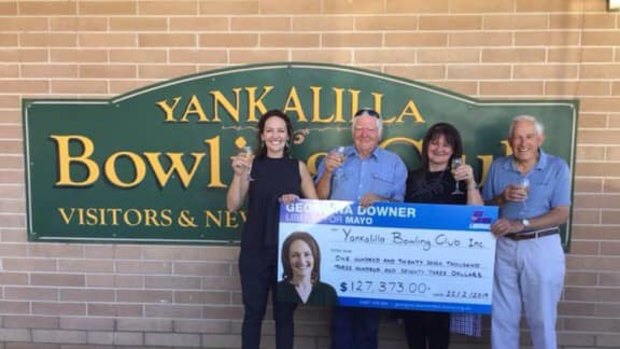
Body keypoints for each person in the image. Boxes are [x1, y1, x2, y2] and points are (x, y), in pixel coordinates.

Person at [315, 108, 407, 349]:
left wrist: (381, 200)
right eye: (359, 128)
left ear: (379, 133)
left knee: (369, 325)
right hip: (339, 252)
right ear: (352, 131)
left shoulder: (394, 163)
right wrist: (327, 172)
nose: (364, 134)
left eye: (370, 129)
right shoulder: (335, 157)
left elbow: (403, 209)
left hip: (376, 255)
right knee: (340, 323)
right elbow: (318, 199)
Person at [226, 109, 319, 349]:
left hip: (288, 255)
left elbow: (317, 209)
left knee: (285, 318)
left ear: (289, 136)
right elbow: (233, 205)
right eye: (269, 130)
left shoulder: (297, 167)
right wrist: (238, 176)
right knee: (253, 315)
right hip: (254, 251)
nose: (275, 135)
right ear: (262, 135)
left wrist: (298, 203)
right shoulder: (250, 165)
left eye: (280, 130)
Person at [482, 115, 571, 349]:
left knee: (542, 318)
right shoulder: (499, 166)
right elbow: (484, 208)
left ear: (540, 139)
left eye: (529, 137)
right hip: (504, 246)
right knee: (502, 318)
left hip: (541, 246)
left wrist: (522, 223)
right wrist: (502, 197)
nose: (523, 143)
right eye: (518, 137)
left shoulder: (556, 167)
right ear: (510, 141)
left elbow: (562, 213)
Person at [400, 122, 484, 349]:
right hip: (412, 263)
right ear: (426, 146)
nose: (439, 148)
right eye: (435, 143)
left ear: (454, 150)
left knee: (439, 327)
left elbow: (478, 216)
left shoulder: (462, 179)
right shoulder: (410, 177)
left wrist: (471, 184)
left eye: (446, 145)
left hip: (445, 263)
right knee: (413, 325)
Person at [277, 231, 338, 306]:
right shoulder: (277, 290)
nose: (302, 261)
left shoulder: (328, 292)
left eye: (307, 254)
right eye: (295, 255)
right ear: (287, 259)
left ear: (315, 257)